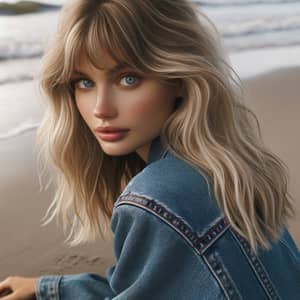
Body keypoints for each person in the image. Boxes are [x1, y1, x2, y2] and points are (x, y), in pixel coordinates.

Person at [1, 0, 300, 299]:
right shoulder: (227, 170)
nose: (101, 109)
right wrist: (48, 288)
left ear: (180, 79)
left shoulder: (157, 197)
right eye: (84, 82)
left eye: (128, 79)